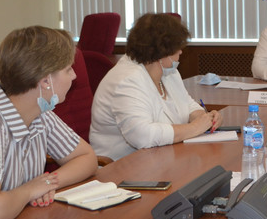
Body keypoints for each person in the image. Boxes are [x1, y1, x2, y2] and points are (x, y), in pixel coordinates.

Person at [0, 26, 98, 219]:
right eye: (68, 69)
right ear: (46, 80)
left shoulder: (40, 111)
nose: (74, 76)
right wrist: (30, 190)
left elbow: (87, 158)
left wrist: (47, 184)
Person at [90, 13, 222, 161]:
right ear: (161, 52)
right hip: (124, 165)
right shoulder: (126, 81)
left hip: (160, 158)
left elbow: (186, 103)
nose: (181, 51)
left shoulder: (168, 72)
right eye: (177, 47)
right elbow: (143, 136)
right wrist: (195, 127)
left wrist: (204, 117)